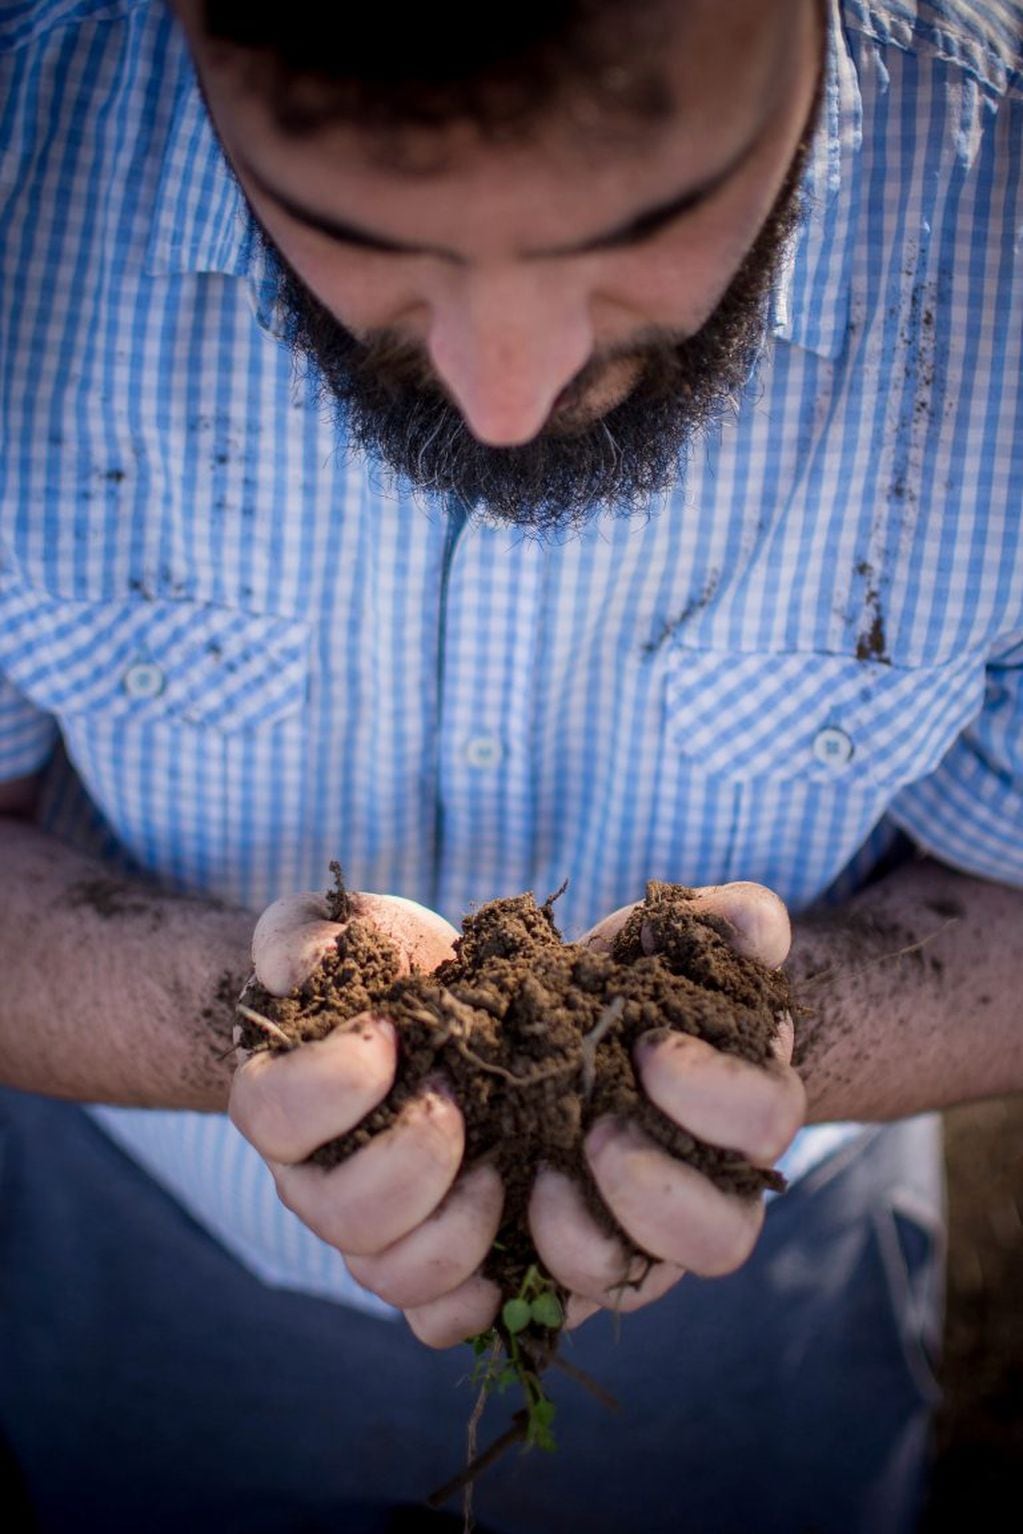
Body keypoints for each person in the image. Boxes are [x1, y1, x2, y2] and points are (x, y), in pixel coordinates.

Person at [0, 0, 1020, 1529]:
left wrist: (753, 1049)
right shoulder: (27, 161)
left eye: (652, 221)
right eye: (356, 233)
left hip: (769, 1307)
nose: (507, 395)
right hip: (152, 1256)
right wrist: (239, 1020)